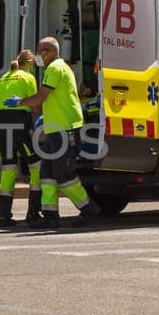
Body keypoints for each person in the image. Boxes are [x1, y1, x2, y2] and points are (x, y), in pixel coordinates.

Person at [13, 36, 99, 228]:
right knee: (47, 174)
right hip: (55, 128)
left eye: (42, 50)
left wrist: (20, 102)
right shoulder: (58, 67)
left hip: (64, 128)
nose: (39, 55)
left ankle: (88, 208)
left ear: (52, 51)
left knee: (64, 174)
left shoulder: (54, 68)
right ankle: (51, 216)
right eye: (38, 50)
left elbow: (42, 96)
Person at [0, 49, 42, 227]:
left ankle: (3, 216)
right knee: (36, 166)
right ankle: (33, 213)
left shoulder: (4, 77)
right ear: (29, 63)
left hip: (1, 124)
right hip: (19, 123)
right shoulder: (28, 78)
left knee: (8, 169)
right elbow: (35, 105)